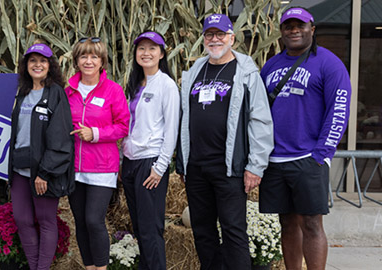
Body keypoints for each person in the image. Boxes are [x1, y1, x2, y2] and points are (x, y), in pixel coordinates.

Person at [176, 14, 274, 269]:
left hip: (229, 167)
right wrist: (184, 162)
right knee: (202, 231)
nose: (215, 39)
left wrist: (255, 165)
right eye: (210, 34)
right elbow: (184, 119)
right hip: (197, 167)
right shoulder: (195, 70)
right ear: (204, 39)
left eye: (221, 34)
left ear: (232, 38)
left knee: (233, 232)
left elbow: (261, 121)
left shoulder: (246, 72)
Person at [259, 7, 351, 270]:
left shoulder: (329, 63)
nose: (294, 30)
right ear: (281, 32)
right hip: (275, 159)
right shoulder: (271, 65)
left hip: (308, 157)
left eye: (300, 26)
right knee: (286, 222)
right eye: (288, 26)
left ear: (312, 29)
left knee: (311, 223)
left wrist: (322, 152)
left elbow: (339, 109)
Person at [8, 43, 75, 270]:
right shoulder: (22, 93)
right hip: (19, 169)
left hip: (43, 172)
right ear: (26, 65)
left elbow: (60, 139)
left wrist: (45, 173)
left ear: (50, 66)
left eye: (43, 61)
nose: (37, 65)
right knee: (23, 220)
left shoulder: (55, 94)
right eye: (33, 61)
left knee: (46, 221)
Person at [66, 37, 130, 270]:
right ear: (76, 60)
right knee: (81, 222)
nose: (89, 61)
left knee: (94, 220)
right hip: (74, 168)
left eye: (94, 56)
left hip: (102, 167)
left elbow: (123, 126)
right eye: (84, 55)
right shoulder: (68, 91)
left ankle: (102, 268)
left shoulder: (113, 90)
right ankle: (89, 267)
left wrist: (95, 133)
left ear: (102, 61)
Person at [121, 31, 179, 270]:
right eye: (141, 48)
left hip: (150, 163)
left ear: (162, 54)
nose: (146, 53)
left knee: (150, 229)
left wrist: (159, 167)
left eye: (152, 48)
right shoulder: (135, 84)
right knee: (139, 229)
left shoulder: (166, 85)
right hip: (131, 162)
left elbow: (172, 129)